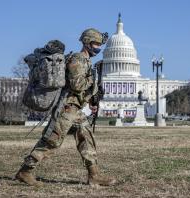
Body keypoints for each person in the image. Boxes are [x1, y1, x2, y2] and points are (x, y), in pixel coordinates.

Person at [15, 28, 116, 187]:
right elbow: (77, 85)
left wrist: (91, 97)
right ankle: (25, 171)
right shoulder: (77, 59)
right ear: (87, 43)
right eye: (96, 44)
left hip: (75, 109)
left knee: (87, 138)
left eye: (99, 44)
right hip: (66, 108)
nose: (98, 47)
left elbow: (81, 89)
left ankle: (94, 175)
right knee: (51, 142)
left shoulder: (86, 61)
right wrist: (93, 82)